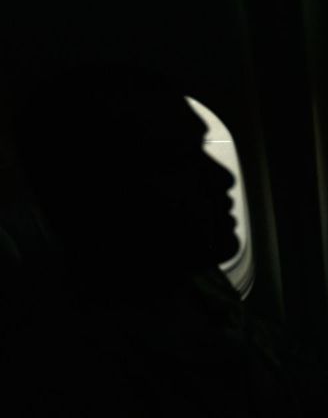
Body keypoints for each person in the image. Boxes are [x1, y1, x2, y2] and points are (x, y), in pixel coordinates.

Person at [6, 63, 302, 417]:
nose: (222, 177)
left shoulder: (190, 279)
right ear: (100, 195)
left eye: (201, 150)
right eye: (176, 161)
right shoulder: (88, 373)